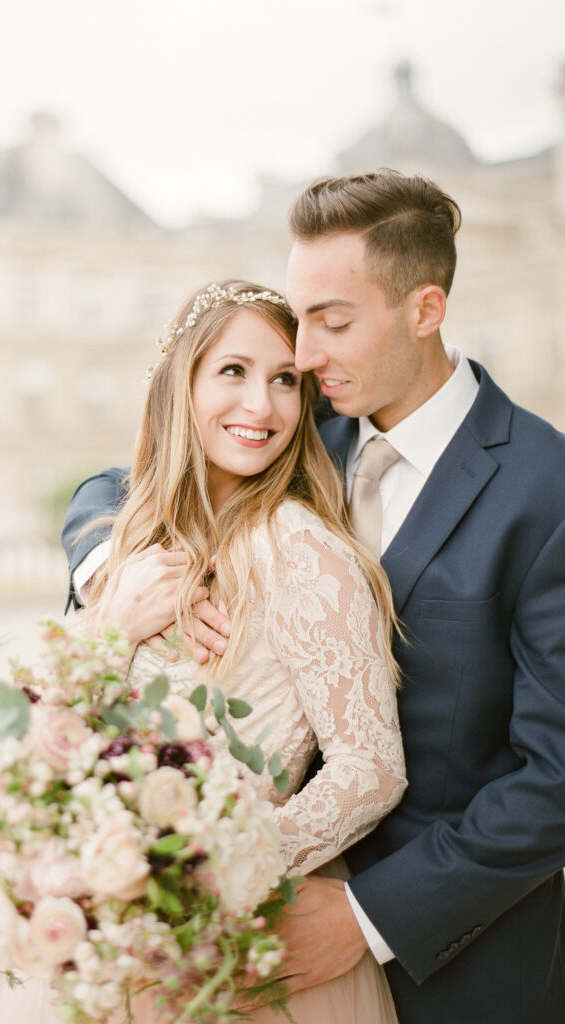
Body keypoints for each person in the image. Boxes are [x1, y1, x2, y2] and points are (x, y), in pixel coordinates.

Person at [62, 171, 565, 1024]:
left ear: (425, 310)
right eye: (302, 320)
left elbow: (554, 774)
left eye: (332, 323)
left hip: (460, 961)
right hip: (237, 951)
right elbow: (129, 477)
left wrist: (372, 918)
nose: (300, 355)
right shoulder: (295, 425)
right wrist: (109, 566)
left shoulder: (545, 488)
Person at [0, 279, 407, 1024]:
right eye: (233, 372)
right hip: (109, 945)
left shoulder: (302, 548)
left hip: (237, 947)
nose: (262, 405)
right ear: (180, 382)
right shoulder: (129, 545)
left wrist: (206, 878)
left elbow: (370, 770)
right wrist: (112, 623)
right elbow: (40, 729)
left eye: (285, 381)